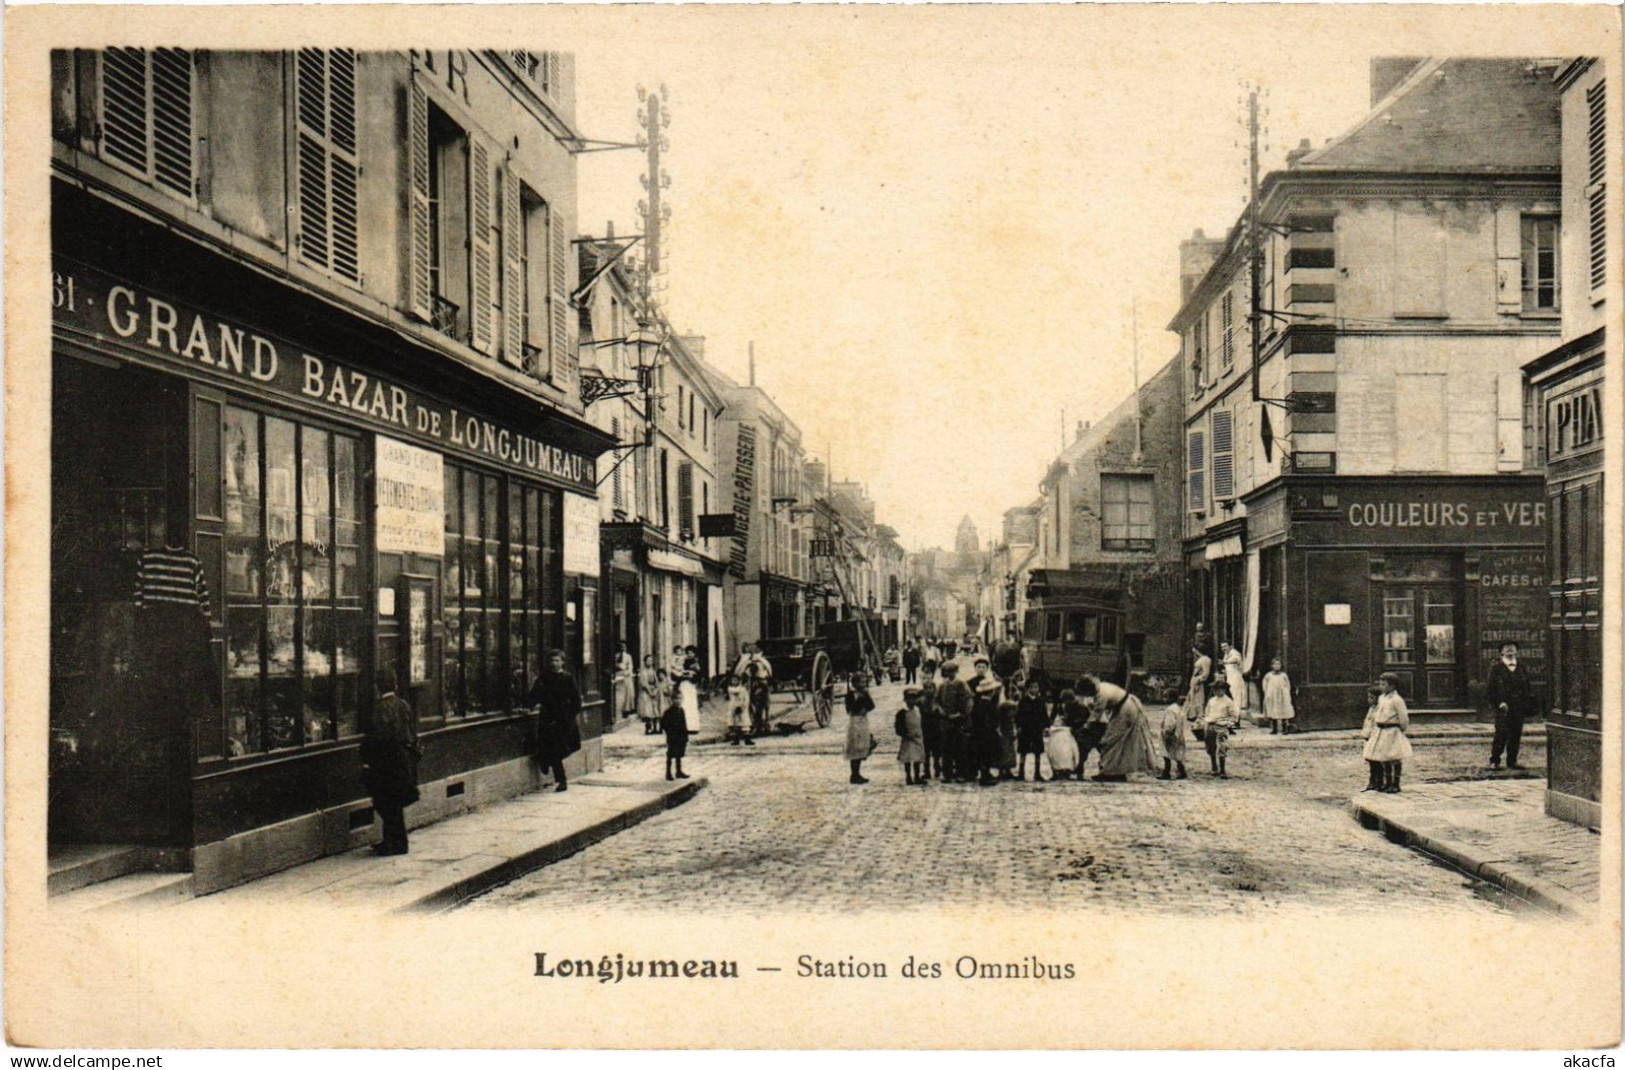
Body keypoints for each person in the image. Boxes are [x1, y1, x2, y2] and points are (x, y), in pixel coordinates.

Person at [361, 667, 420, 856]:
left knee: (386, 803)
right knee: (393, 803)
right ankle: (393, 842)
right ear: (394, 685)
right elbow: (411, 732)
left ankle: (396, 844)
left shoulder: (379, 709)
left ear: (378, 687)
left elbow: (378, 739)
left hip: (386, 764)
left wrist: (367, 761)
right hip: (402, 762)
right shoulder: (403, 705)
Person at [1079, 673, 1158, 782]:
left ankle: (1110, 772)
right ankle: (1116, 771)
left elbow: (1096, 715)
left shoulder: (1101, 694)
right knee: (1118, 741)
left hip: (1126, 709)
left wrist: (1085, 727)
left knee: (1110, 740)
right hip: (1123, 707)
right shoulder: (1101, 687)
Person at [528, 649, 582, 792]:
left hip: (563, 719)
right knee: (546, 746)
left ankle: (561, 779)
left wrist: (569, 717)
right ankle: (546, 762)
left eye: (557, 660)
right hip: (547, 716)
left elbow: (576, 701)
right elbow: (535, 694)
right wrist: (528, 706)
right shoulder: (544, 677)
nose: (554, 663)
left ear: (562, 662)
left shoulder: (568, 678)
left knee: (557, 750)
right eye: (551, 660)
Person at [1485, 641, 1536, 771]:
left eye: (1512, 649)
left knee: (1516, 733)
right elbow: (1491, 688)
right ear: (1501, 652)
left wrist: (1526, 701)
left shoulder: (1521, 667)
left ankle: (1512, 761)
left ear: (1517, 652)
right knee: (1501, 733)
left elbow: (1527, 686)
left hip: (1518, 706)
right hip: (1504, 707)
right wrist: (1499, 702)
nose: (1510, 651)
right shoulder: (1497, 667)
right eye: (1507, 649)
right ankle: (1495, 760)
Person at [1366, 672, 1413, 793]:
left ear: (1392, 686)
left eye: (1384, 684)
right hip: (1381, 731)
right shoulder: (1381, 698)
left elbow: (1404, 719)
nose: (1381, 686)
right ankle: (1387, 783)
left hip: (1392, 731)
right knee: (1383, 758)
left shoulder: (1397, 700)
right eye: (1380, 684)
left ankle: (1395, 784)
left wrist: (1399, 729)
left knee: (1394, 757)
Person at [968, 656, 1003, 786]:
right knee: (985, 752)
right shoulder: (984, 705)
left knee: (986, 753)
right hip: (985, 733)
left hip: (983, 732)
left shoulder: (984, 703)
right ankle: (984, 775)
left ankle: (986, 773)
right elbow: (987, 719)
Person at [936, 661, 973, 782]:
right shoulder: (942, 686)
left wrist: (961, 714)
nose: (950, 674)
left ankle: (961, 773)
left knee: (960, 748)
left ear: (956, 672)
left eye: (952, 671)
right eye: (947, 672)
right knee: (946, 748)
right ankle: (947, 773)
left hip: (959, 721)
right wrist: (942, 712)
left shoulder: (962, 684)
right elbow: (937, 702)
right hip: (946, 721)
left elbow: (968, 701)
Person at [734, 643, 774, 737]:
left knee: (763, 704)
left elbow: (768, 671)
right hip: (751, 684)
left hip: (761, 683)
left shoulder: (762, 661)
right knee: (751, 703)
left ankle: (762, 724)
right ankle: (754, 724)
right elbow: (740, 672)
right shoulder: (745, 661)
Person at [844, 671, 877, 784]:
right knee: (854, 747)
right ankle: (854, 774)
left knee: (861, 746)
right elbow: (849, 709)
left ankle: (857, 773)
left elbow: (872, 706)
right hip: (854, 721)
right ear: (855, 684)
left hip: (863, 721)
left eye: (864, 682)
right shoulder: (850, 695)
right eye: (861, 682)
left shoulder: (865, 694)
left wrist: (865, 706)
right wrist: (859, 704)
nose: (863, 685)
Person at [1203, 679, 1239, 778]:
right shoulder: (1211, 700)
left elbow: (1233, 716)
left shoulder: (1228, 702)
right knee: (1211, 747)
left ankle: (1222, 770)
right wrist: (1206, 720)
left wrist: (1226, 724)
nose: (1216, 691)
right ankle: (1214, 766)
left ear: (1224, 690)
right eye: (1215, 689)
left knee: (1222, 747)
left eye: (1218, 689)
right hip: (1210, 725)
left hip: (1221, 727)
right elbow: (1207, 712)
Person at [1015, 679, 1049, 782]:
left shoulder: (1041, 701)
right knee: (1023, 750)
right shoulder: (1023, 701)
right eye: (1032, 687)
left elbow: (1044, 715)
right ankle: (1021, 772)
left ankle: (1037, 773)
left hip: (1037, 728)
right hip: (1026, 728)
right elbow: (1019, 715)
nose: (1034, 689)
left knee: (1038, 750)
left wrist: (1046, 726)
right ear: (1027, 689)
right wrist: (1019, 726)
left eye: (1036, 687)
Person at [897, 687, 927, 786]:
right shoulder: (902, 712)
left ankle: (917, 776)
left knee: (917, 757)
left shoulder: (918, 711)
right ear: (905, 700)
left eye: (913, 699)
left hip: (917, 737)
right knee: (908, 757)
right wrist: (904, 733)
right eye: (909, 699)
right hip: (908, 738)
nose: (911, 701)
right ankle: (908, 776)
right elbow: (899, 726)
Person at [1158, 694, 1189, 781]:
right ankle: (1182, 771)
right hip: (1178, 733)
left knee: (1166, 753)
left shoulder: (1170, 710)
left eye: (1166, 696)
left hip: (1170, 733)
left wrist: (1167, 732)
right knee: (1176, 753)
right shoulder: (1178, 708)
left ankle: (1166, 772)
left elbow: (1170, 722)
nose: (1164, 698)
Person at [1261, 656, 1295, 735]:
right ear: (1272, 665)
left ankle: (1284, 728)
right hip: (1272, 695)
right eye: (1275, 664)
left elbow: (1287, 685)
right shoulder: (1268, 675)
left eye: (1278, 664)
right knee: (1273, 711)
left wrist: (1286, 693)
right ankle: (1275, 729)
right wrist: (1267, 693)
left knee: (1284, 710)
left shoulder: (1283, 675)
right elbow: (1264, 685)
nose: (1277, 666)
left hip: (1282, 696)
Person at [1359, 685, 1384, 792]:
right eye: (1368, 697)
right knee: (1372, 762)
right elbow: (1367, 724)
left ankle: (1380, 783)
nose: (1369, 700)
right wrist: (1365, 735)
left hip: (1378, 740)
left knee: (1379, 762)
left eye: (1372, 698)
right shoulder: (1371, 709)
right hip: (1370, 739)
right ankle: (1372, 782)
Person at [1044, 708, 1080, 781]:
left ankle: (1061, 771)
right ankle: (1062, 772)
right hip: (1061, 747)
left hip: (1060, 744)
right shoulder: (1065, 733)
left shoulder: (1064, 732)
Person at [919, 676, 943, 781]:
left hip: (936, 729)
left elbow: (942, 714)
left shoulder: (937, 701)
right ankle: (927, 771)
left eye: (931, 688)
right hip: (925, 729)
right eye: (926, 688)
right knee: (926, 752)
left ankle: (937, 769)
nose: (929, 690)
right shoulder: (920, 702)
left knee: (937, 751)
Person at [662, 697, 690, 781]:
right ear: (672, 700)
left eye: (679, 699)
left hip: (681, 736)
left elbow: (684, 724)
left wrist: (686, 735)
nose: (678, 701)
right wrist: (670, 733)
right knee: (670, 754)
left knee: (679, 754)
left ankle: (678, 771)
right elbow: (664, 724)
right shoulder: (668, 712)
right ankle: (668, 773)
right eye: (676, 699)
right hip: (673, 737)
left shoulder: (681, 710)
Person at [724, 674, 756, 747]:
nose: (734, 682)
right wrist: (744, 686)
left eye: (736, 680)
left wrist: (743, 706)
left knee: (745, 724)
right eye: (733, 680)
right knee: (735, 724)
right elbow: (736, 691)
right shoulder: (730, 689)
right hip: (733, 708)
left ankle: (747, 740)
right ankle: (736, 740)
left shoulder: (743, 689)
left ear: (739, 681)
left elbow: (746, 698)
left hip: (743, 708)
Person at [1188, 644, 1213, 735]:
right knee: (1193, 698)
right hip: (1195, 680)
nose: (1194, 653)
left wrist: (1199, 680)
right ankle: (1194, 715)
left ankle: (1199, 716)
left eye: (1195, 651)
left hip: (1199, 682)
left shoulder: (1205, 659)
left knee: (1199, 699)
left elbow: (1206, 673)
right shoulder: (1200, 659)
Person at [1220, 641, 1247, 720]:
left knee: (1236, 698)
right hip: (1229, 678)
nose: (1223, 648)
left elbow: (1235, 660)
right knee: (1231, 698)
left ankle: (1236, 719)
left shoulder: (1235, 653)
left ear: (1230, 646)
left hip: (1236, 678)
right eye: (1222, 647)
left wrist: (1225, 662)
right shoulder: (1226, 655)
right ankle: (1232, 718)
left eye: (1225, 646)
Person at [637, 655, 662, 735]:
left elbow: (656, 682)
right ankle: (648, 729)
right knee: (647, 711)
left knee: (654, 710)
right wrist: (650, 692)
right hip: (646, 693)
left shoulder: (653, 671)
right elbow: (644, 683)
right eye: (648, 660)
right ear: (644, 662)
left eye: (651, 660)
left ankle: (655, 728)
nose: (650, 662)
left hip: (653, 690)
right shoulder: (643, 672)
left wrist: (656, 690)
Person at [611, 642, 636, 721]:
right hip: (618, 675)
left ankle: (626, 710)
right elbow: (614, 665)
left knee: (627, 694)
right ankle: (618, 711)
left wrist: (627, 672)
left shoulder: (628, 656)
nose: (623, 648)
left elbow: (630, 666)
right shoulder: (616, 656)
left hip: (626, 676)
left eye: (624, 647)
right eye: (621, 647)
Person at [996, 699, 1020, 780]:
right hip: (1004, 736)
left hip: (1010, 736)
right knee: (1003, 752)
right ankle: (1001, 770)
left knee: (1010, 753)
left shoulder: (1011, 720)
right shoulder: (1002, 720)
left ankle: (1008, 769)